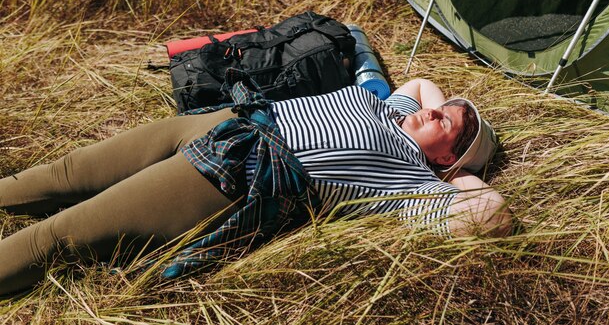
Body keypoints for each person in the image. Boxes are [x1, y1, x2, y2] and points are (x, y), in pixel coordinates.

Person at [0, 76, 512, 296]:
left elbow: (491, 217)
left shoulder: (412, 180)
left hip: (231, 173)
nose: (434, 110)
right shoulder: (400, 108)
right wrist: (447, 114)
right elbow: (421, 87)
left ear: (449, 156)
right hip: (224, 120)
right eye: (445, 107)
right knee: (62, 175)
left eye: (448, 123)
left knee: (59, 238)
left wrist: (451, 172)